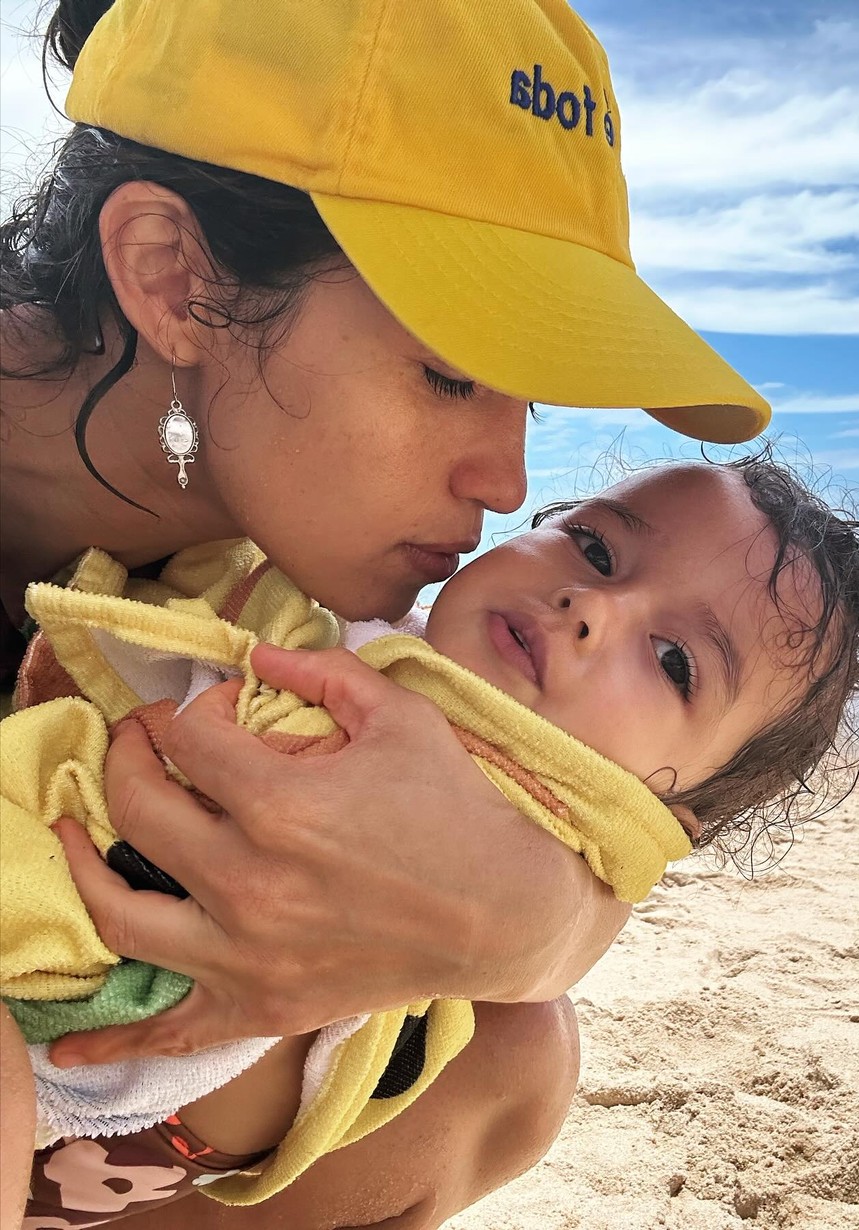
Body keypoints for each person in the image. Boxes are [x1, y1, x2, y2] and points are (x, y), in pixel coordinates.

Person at [0, 0, 775, 1223]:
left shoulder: (271, 558)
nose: (508, 484)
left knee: (507, 1062)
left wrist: (535, 920)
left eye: (531, 402)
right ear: (172, 276)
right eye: (451, 372)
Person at [4, 455, 859, 1225]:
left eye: (675, 662)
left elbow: (615, 871)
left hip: (131, 1092)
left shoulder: (537, 823)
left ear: (664, 808)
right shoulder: (357, 630)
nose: (591, 607)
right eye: (595, 548)